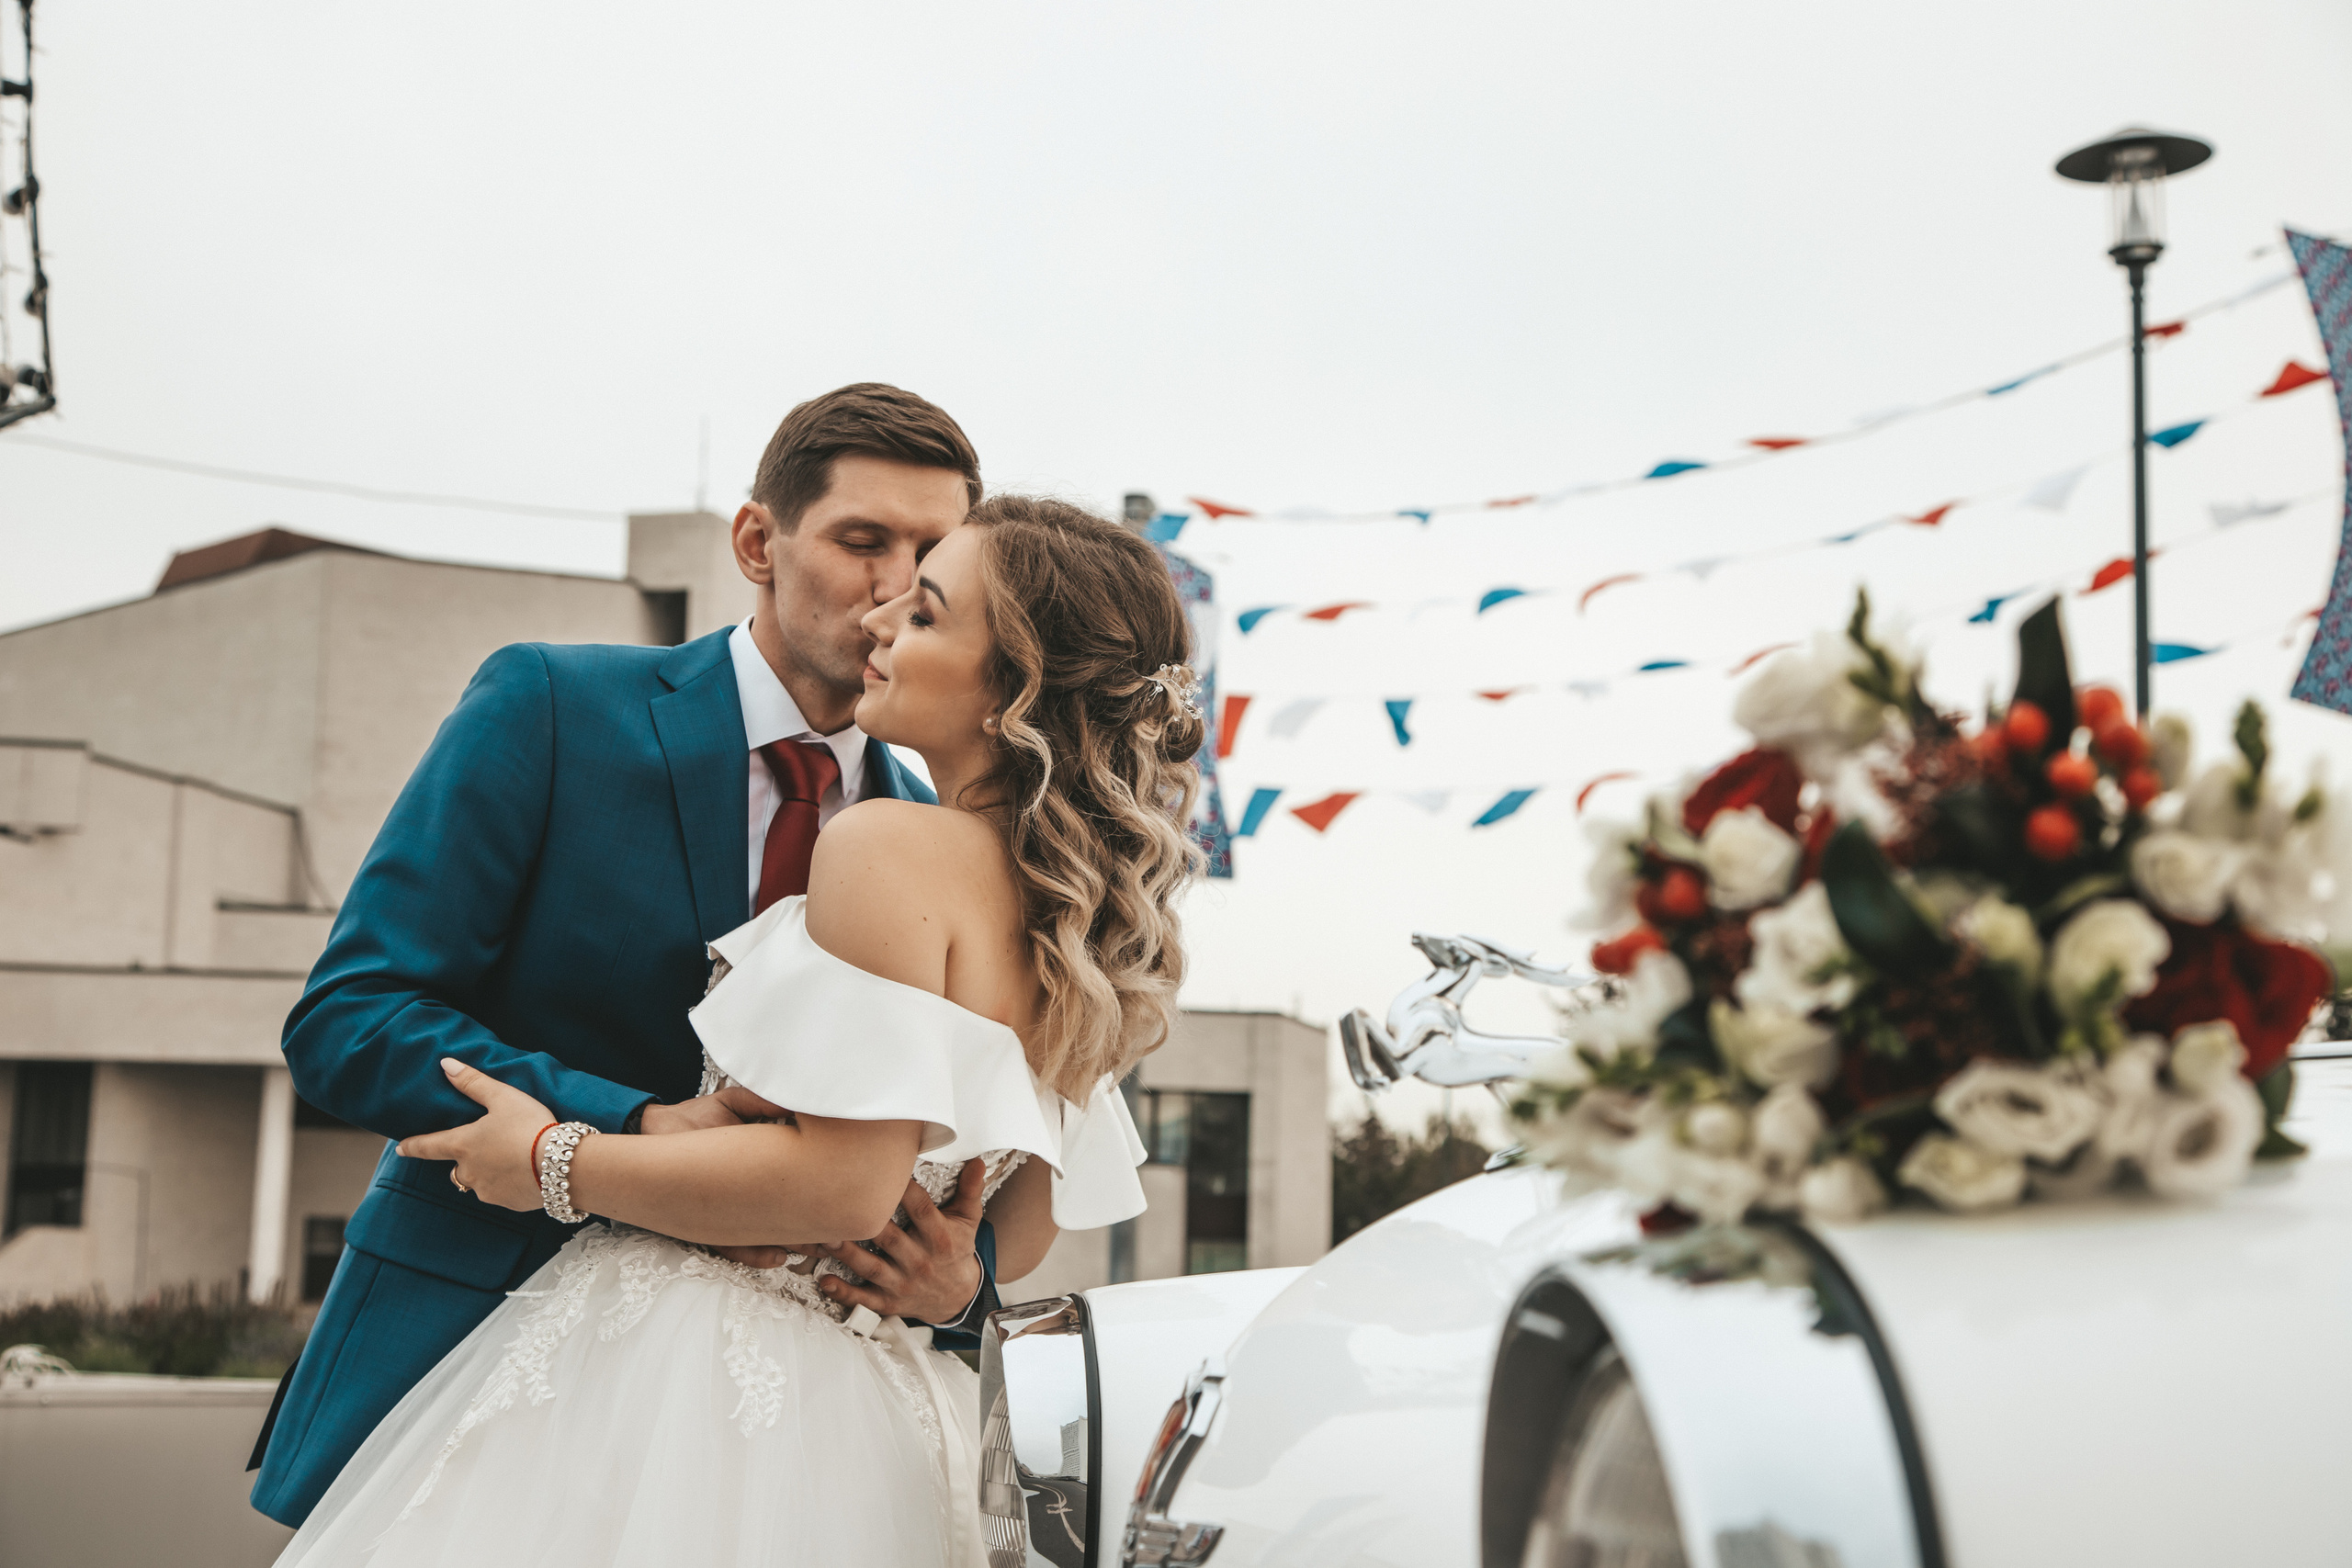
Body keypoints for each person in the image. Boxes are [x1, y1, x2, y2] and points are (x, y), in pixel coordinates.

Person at [273, 495, 1202, 1566]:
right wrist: (955, 1276)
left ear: (1014, 692)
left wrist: (553, 1158)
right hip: (890, 1402)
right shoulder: (1081, 920)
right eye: (879, 567)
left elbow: (842, 1187)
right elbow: (1027, 1215)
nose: (885, 619)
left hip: (698, 1378)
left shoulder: (887, 845)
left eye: (931, 611)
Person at [250, 385, 1010, 1528]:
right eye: (863, 542)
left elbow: (964, 1156)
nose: (894, 587)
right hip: (475, 1370)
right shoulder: (552, 705)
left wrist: (961, 1289)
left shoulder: (947, 847)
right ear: (759, 542)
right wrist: (633, 1125)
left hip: (789, 1459)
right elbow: (351, 1019)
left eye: (928, 554)